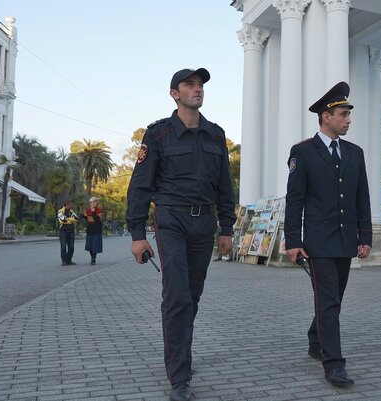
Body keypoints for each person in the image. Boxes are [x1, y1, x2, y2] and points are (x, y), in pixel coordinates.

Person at [126, 67, 236, 401]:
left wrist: (227, 228)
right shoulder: (158, 134)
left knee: (192, 295)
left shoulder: (215, 135)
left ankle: (181, 356)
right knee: (176, 296)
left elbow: (224, 186)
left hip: (205, 224)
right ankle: (179, 376)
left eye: (200, 85)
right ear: (175, 93)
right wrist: (136, 234)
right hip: (171, 221)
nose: (197, 89)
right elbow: (140, 185)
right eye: (189, 84)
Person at [284, 81, 372, 388]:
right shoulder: (303, 153)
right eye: (344, 114)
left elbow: (362, 197)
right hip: (318, 243)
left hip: (346, 240)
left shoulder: (355, 153)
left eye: (348, 114)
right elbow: (294, 199)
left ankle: (314, 337)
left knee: (333, 299)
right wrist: (293, 240)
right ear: (326, 117)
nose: (348, 119)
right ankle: (333, 364)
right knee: (329, 302)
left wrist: (365, 236)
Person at [82, 196, 103, 265]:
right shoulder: (88, 210)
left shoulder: (99, 210)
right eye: (90, 202)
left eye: (93, 202)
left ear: (96, 203)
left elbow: (98, 220)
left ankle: (93, 259)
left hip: (97, 230)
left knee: (95, 245)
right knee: (90, 246)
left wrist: (93, 212)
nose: (91, 203)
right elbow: (86, 218)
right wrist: (83, 215)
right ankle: (92, 257)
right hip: (90, 230)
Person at [57, 200, 78, 266]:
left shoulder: (71, 211)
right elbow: (62, 220)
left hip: (71, 231)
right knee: (63, 247)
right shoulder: (60, 211)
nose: (71, 206)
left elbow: (76, 219)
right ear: (66, 205)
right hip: (63, 231)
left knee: (71, 247)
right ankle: (64, 261)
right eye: (70, 204)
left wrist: (68, 219)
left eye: (71, 204)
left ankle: (69, 260)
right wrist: (71, 220)